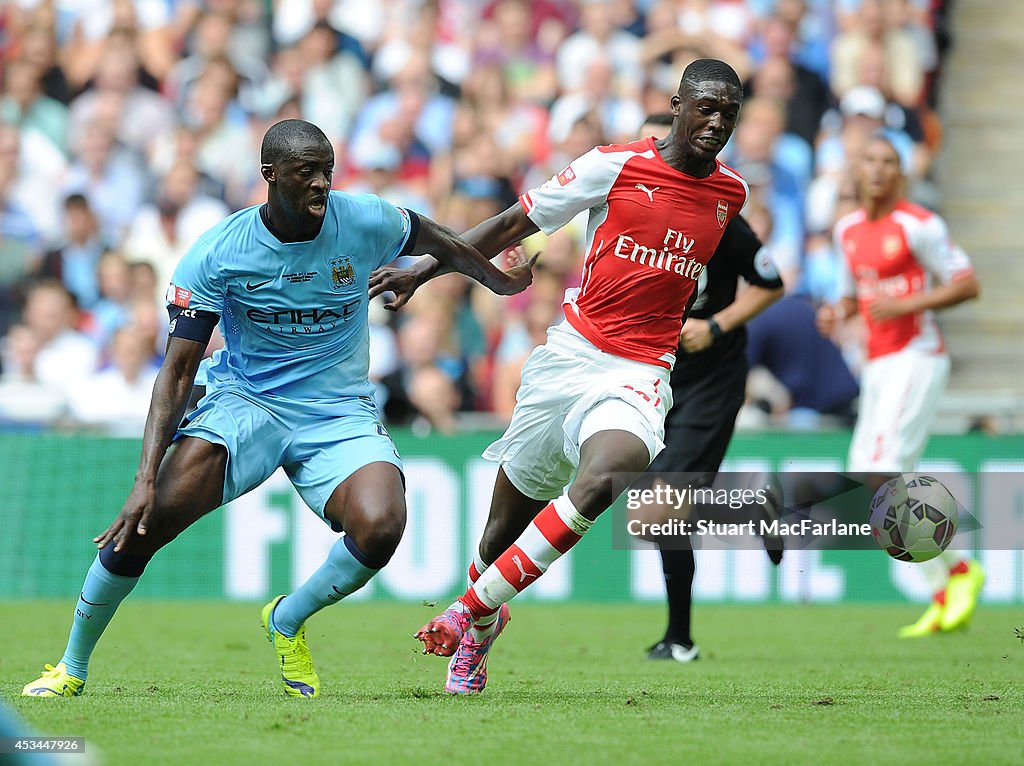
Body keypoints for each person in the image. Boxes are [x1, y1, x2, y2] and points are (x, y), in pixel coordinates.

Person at [22, 118, 536, 699]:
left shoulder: (365, 217)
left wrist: (492, 280)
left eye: (327, 170)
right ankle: (71, 666)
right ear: (270, 176)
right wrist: (145, 477)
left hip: (337, 410)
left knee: (382, 527)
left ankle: (286, 619)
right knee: (142, 526)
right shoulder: (220, 252)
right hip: (248, 404)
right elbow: (177, 371)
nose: (321, 183)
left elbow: (441, 240)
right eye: (305, 172)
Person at [370, 58, 749, 693]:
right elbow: (516, 222)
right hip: (570, 357)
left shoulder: (731, 193)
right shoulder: (615, 165)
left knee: (606, 475)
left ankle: (468, 611)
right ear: (677, 103)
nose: (716, 122)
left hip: (641, 371)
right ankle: (486, 618)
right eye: (705, 107)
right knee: (501, 527)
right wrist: (423, 269)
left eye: (728, 113)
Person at [632, 113, 785, 664]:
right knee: (654, 505)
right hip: (649, 373)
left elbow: (771, 283)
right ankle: (750, 512)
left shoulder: (719, 216)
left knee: (654, 507)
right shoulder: (625, 209)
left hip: (710, 378)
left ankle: (681, 636)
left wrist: (716, 324)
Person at [816, 133, 983, 639]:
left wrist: (909, 306)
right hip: (880, 362)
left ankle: (956, 573)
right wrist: (836, 312)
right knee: (869, 477)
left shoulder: (920, 225)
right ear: (856, 170)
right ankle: (947, 579)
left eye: (889, 162)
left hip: (918, 355)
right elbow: (852, 295)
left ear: (901, 175)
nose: (879, 170)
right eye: (870, 160)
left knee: (883, 468)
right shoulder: (846, 229)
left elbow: (967, 283)